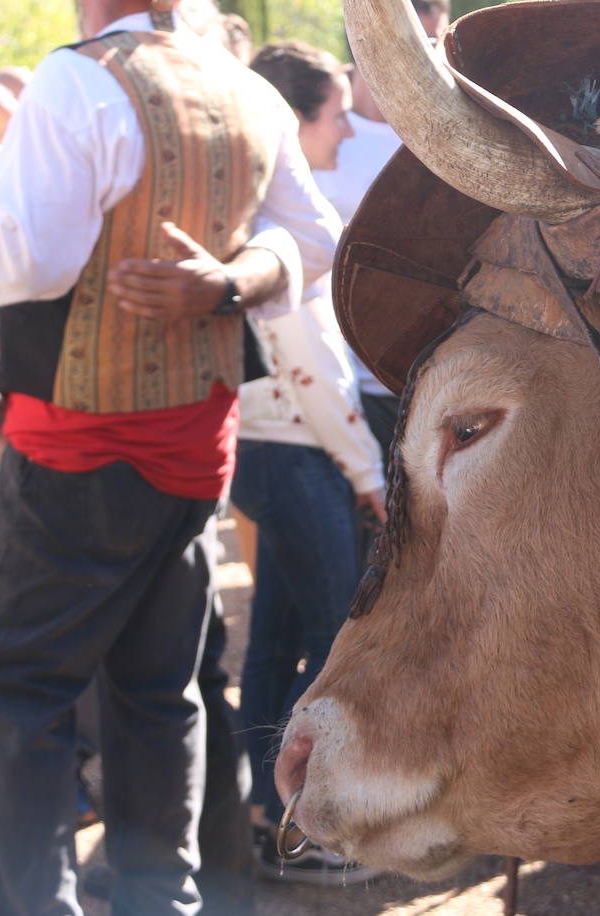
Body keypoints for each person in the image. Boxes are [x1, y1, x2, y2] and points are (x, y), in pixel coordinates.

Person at [0, 0, 341, 911]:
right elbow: (313, 238)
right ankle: (159, 902)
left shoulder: (75, 78)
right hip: (196, 447)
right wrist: (233, 280)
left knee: (17, 692)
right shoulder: (244, 88)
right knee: (156, 695)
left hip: (82, 447)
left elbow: (25, 260)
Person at [231, 39, 385, 885]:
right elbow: (313, 367)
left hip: (270, 449)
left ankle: (268, 810)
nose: (345, 132)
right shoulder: (278, 227)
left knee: (277, 640)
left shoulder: (253, 211)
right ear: (292, 124)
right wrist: (365, 473)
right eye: (333, 118)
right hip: (301, 449)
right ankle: (313, 825)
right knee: (334, 646)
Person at [313, 0, 448, 458]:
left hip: (420, 371)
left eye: (432, 43)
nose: (421, 58)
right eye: (411, 42)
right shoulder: (321, 131)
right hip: (338, 375)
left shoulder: (441, 136)